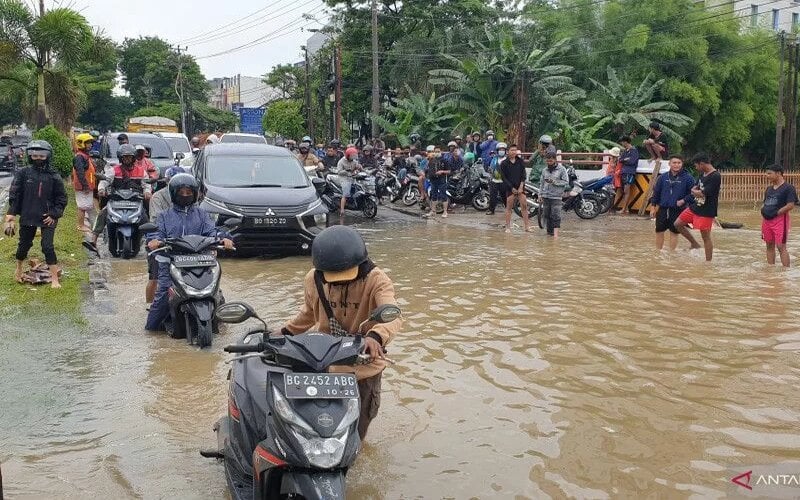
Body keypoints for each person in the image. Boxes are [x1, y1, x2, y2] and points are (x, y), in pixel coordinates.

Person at [280, 225, 401, 440]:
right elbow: (308, 313)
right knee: (320, 427)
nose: (341, 280)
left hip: (365, 365)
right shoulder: (313, 279)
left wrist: (375, 336)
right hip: (326, 364)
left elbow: (393, 315)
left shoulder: (377, 280)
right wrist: (284, 332)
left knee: (358, 433)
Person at [145, 174, 234, 331]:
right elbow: (155, 233)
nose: (185, 196)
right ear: (173, 193)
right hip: (171, 261)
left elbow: (211, 231)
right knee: (163, 296)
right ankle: (150, 330)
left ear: (195, 194)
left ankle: (222, 325)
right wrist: (154, 240)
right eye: (181, 192)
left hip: (201, 260)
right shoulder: (164, 216)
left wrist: (223, 239)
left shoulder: (202, 214)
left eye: (189, 193)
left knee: (216, 293)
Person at [4, 140, 67, 288]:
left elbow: (62, 198)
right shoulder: (23, 173)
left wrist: (54, 214)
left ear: (48, 156)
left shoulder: (54, 176)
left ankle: (55, 279)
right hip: (28, 215)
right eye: (34, 155)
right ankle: (18, 270)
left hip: (47, 217)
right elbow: (15, 194)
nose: (38, 158)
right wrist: (11, 214)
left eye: (42, 155)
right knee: (23, 246)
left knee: (47, 246)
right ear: (29, 156)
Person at [84, 144, 153, 253]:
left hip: (135, 201)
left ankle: (152, 242)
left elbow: (146, 185)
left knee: (145, 218)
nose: (127, 159)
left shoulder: (141, 171)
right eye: (124, 157)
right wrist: (101, 189)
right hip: (116, 200)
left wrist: (147, 192)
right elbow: (105, 180)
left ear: (133, 157)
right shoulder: (113, 170)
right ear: (121, 158)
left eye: (129, 157)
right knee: (103, 213)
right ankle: (93, 240)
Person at [145, 166, 182, 308]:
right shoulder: (157, 197)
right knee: (155, 278)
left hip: (183, 243)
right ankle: (149, 306)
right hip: (160, 241)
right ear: (168, 182)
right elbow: (156, 221)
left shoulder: (191, 198)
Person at [674, 152, 721, 261]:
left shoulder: (715, 176)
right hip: (695, 207)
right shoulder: (702, 173)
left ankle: (708, 261)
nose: (695, 168)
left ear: (702, 164)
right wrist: (696, 191)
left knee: (705, 236)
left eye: (696, 165)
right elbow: (695, 188)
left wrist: (696, 192)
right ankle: (694, 243)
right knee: (678, 224)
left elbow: (701, 193)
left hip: (706, 210)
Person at [648, 155, 695, 251]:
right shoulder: (662, 177)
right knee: (659, 231)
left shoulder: (688, 178)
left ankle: (671, 254)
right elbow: (656, 193)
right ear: (669, 164)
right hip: (663, 209)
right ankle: (657, 252)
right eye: (674, 162)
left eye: (679, 163)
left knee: (674, 232)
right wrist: (653, 207)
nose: (676, 165)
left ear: (682, 164)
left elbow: (693, 195)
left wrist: (683, 201)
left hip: (678, 210)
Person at [761, 164, 798, 267]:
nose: (766, 175)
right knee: (769, 245)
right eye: (766, 173)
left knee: (781, 246)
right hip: (766, 220)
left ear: (778, 174)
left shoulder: (788, 188)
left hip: (780, 220)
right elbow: (765, 202)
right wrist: (763, 210)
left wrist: (776, 213)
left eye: (769, 173)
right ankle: (771, 269)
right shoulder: (769, 189)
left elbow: (790, 205)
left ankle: (785, 271)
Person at [501, 144, 531, 233]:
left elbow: (523, 175)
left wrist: (521, 186)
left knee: (524, 206)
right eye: (512, 150)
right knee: (509, 207)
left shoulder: (520, 161)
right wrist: (511, 188)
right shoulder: (504, 163)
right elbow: (504, 178)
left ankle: (527, 227)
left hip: (520, 187)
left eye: (515, 150)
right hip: (510, 188)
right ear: (507, 152)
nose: (514, 152)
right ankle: (508, 227)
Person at [539, 150, 569, 238]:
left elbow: (566, 182)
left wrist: (555, 182)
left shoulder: (562, 169)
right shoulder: (544, 170)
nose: (549, 162)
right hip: (546, 196)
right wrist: (540, 194)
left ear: (555, 160)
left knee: (556, 215)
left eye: (551, 161)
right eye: (547, 161)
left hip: (557, 196)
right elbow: (542, 183)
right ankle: (549, 234)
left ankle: (556, 235)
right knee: (546, 215)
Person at [72, 133, 97, 232]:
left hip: (87, 186)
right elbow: (80, 173)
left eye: (90, 143)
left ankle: (90, 224)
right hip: (83, 187)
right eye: (87, 143)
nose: (90, 145)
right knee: (82, 206)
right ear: (81, 143)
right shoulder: (79, 157)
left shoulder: (84, 156)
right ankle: (80, 225)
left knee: (87, 205)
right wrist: (85, 186)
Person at [423, 145, 450, 219]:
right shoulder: (431, 159)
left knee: (443, 195)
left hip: (442, 180)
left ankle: (445, 212)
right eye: (435, 151)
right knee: (433, 195)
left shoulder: (445, 160)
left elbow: (449, 171)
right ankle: (433, 211)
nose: (437, 153)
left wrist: (442, 171)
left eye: (438, 151)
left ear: (441, 152)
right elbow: (427, 169)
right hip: (433, 179)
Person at [336, 147, 361, 216]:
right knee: (346, 194)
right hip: (344, 179)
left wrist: (359, 168)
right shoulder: (341, 161)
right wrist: (348, 171)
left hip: (353, 178)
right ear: (347, 155)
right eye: (352, 156)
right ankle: (342, 210)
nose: (353, 157)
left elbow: (358, 168)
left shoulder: (354, 161)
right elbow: (339, 172)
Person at [617, 136, 640, 214]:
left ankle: (624, 209)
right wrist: (625, 159)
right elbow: (620, 159)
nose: (622, 144)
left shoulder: (634, 151)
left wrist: (624, 160)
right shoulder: (626, 151)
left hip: (629, 172)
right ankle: (626, 209)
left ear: (625, 142)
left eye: (622, 142)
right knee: (624, 190)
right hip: (624, 172)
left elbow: (632, 162)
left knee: (626, 190)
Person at [486, 142, 507, 215]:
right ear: (497, 151)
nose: (501, 151)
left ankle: (508, 208)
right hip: (494, 180)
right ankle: (491, 210)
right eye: (500, 149)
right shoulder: (494, 159)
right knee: (492, 196)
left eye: (503, 149)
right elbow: (491, 168)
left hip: (503, 181)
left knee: (504, 196)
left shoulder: (507, 159)